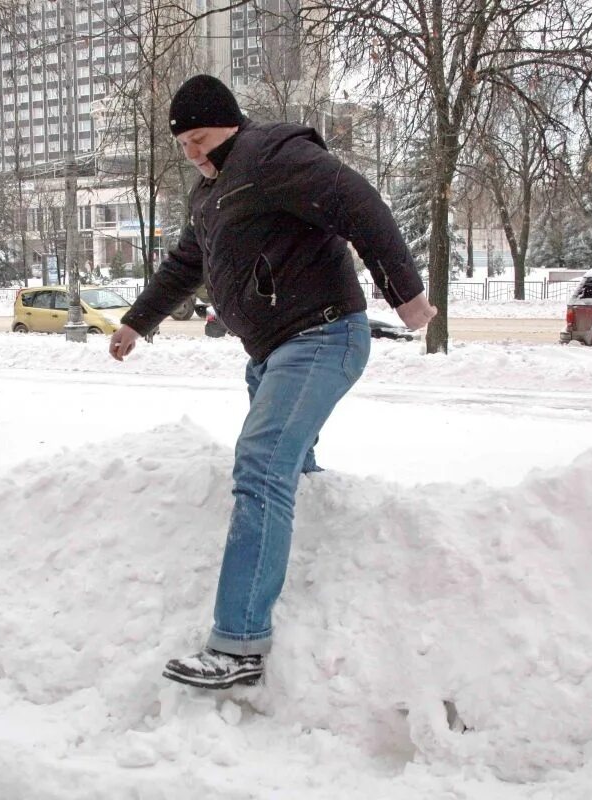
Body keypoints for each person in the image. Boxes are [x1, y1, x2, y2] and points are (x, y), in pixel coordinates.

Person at [108, 74, 436, 689]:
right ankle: (321, 555)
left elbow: (357, 203)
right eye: (182, 145)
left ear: (230, 123)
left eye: (200, 139)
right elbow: (186, 264)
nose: (193, 154)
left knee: (259, 463)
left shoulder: (273, 154)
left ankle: (238, 644)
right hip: (273, 352)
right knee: (288, 473)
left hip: (321, 337)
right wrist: (135, 322)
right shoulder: (209, 194)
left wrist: (406, 296)